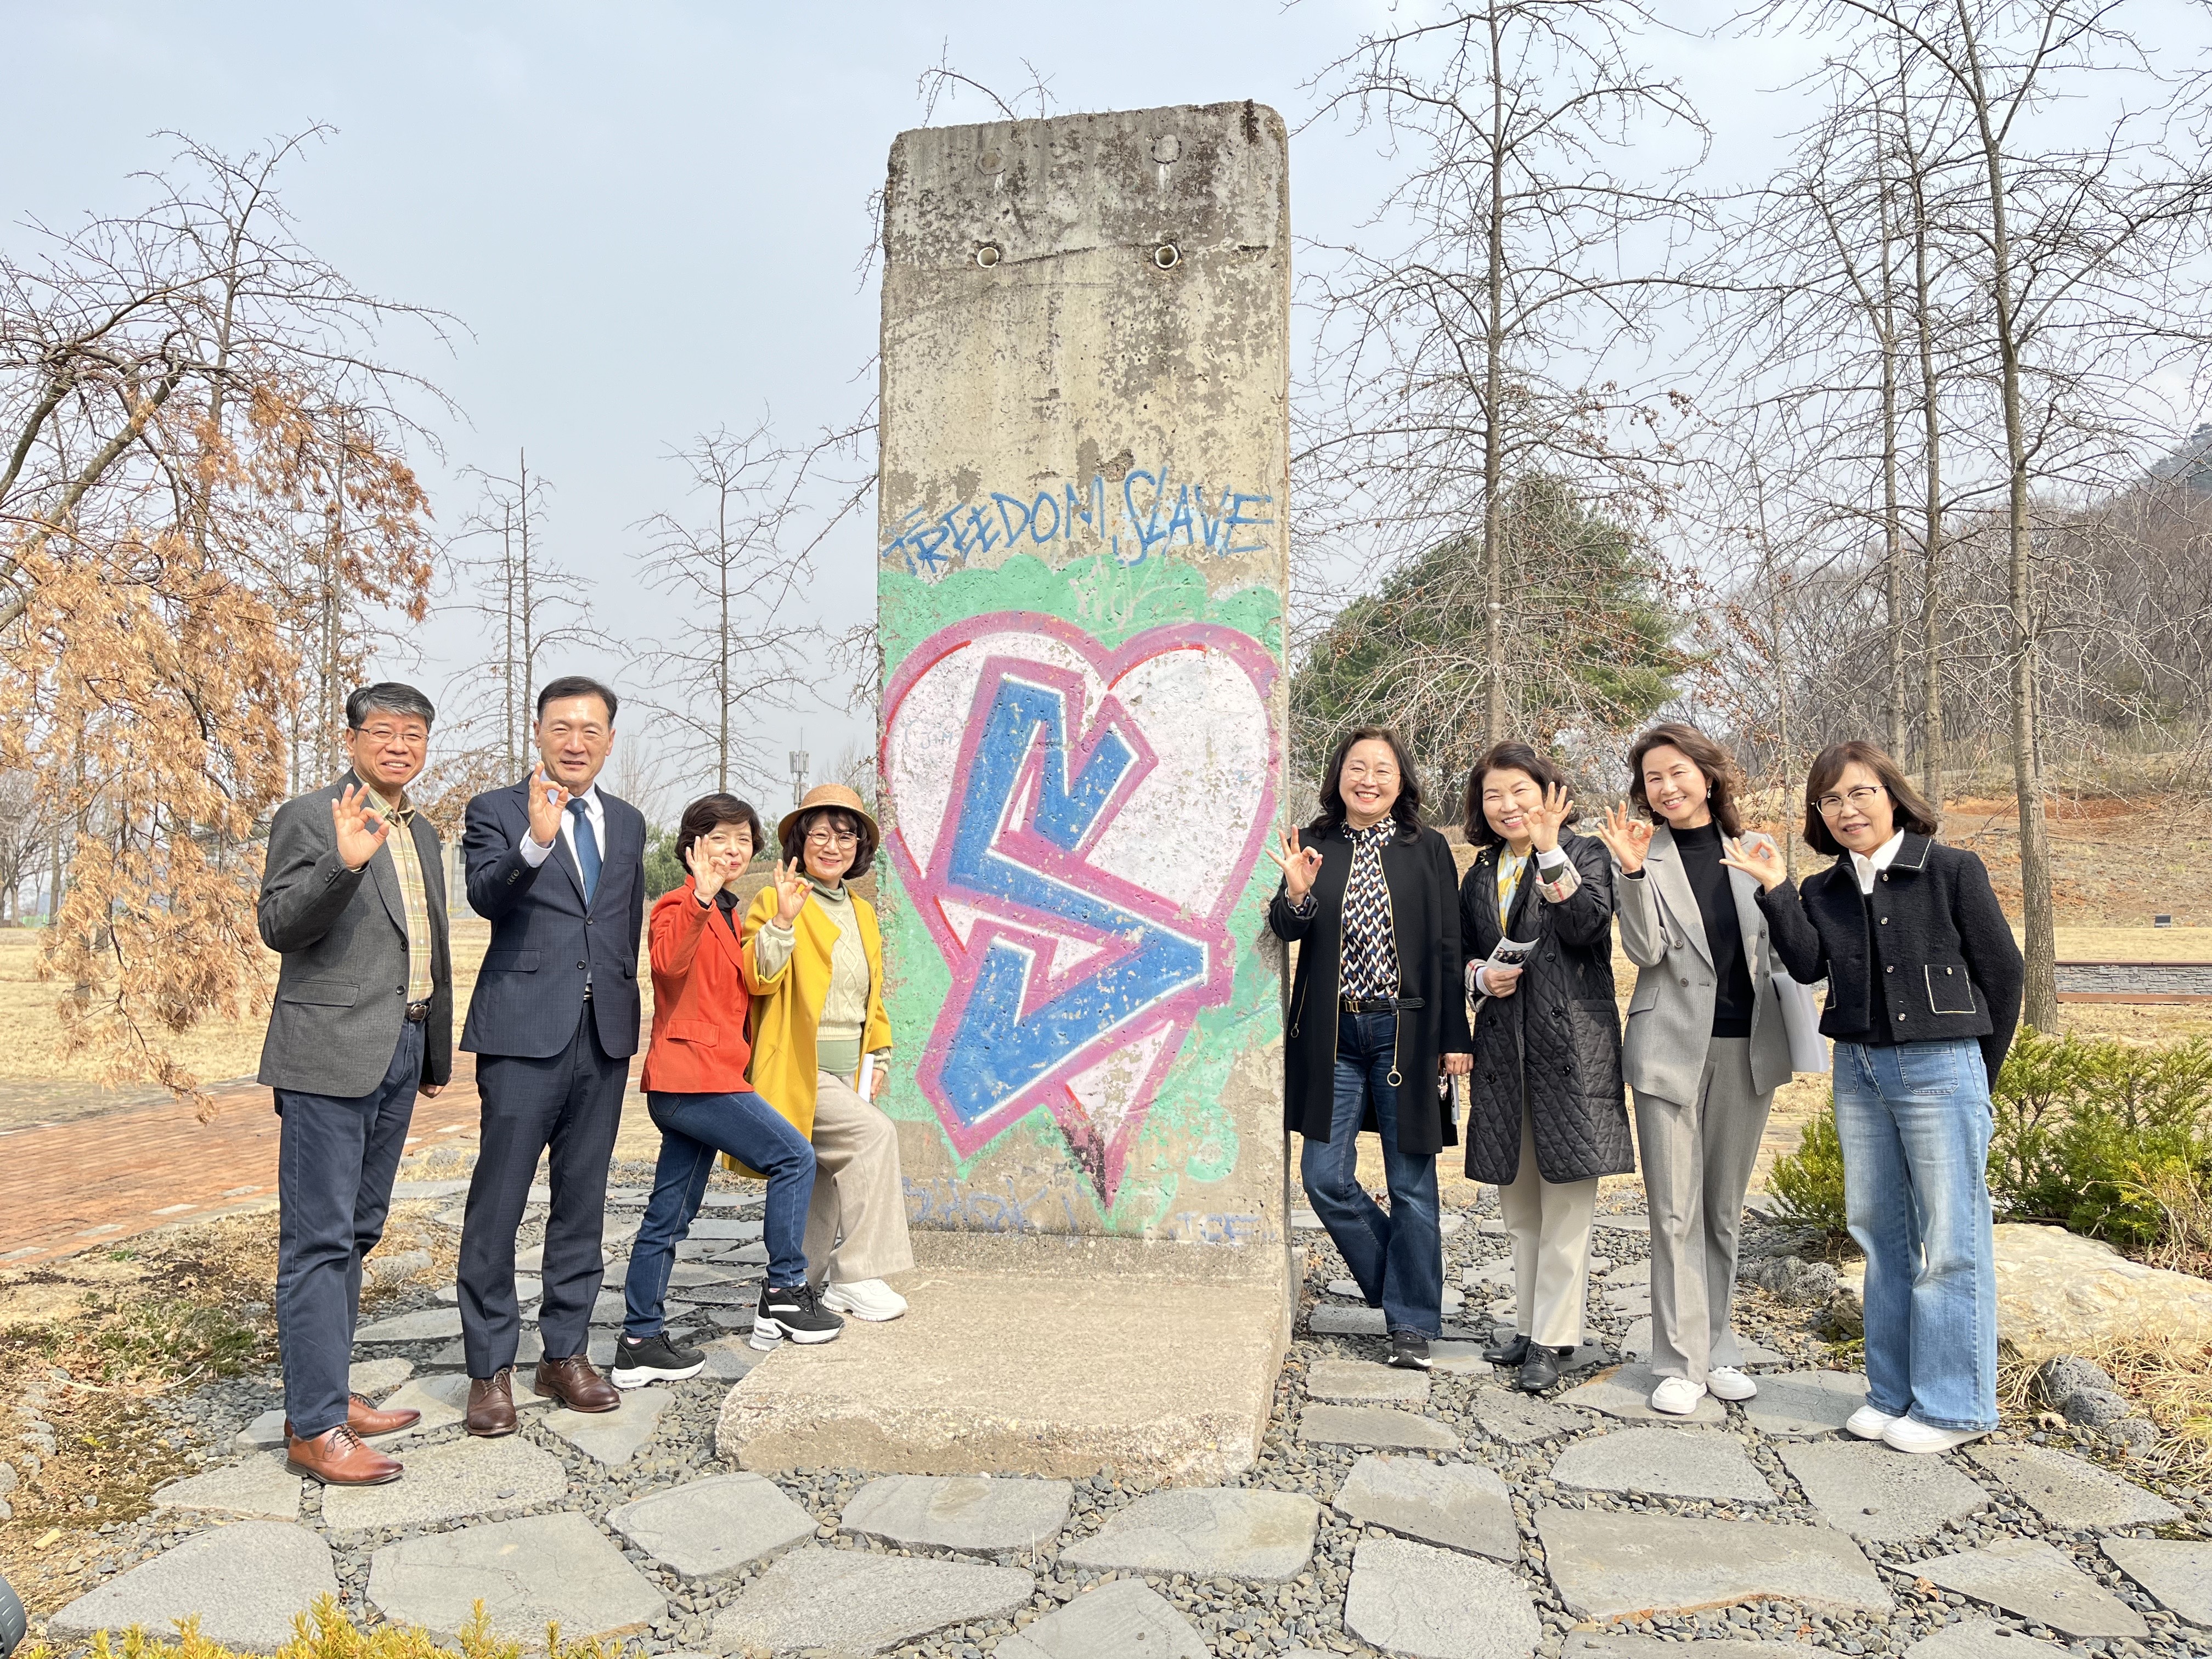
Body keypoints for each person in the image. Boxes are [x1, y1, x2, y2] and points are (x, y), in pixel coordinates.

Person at [1725, 740, 2022, 1454]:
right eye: (1831, 799)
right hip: (1859, 1071)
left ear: (1892, 794)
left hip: (1942, 1069)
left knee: (1952, 1243)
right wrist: (1773, 888)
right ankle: (1891, 1393)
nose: (1847, 809)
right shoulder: (1822, 890)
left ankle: (1955, 1408)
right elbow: (1803, 965)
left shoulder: (1950, 870)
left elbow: (2004, 975)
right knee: (1881, 1240)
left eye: (1860, 792)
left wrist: (1978, 1072)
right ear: (1819, 814)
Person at [256, 682, 451, 1486]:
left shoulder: (426, 832)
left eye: (413, 734)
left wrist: (432, 1047)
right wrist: (340, 864)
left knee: (359, 1232)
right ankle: (313, 1429)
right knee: (318, 1241)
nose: (398, 745)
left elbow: (425, 939)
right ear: (352, 740)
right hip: (329, 1057)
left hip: (401, 1048)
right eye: (383, 732)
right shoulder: (311, 817)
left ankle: (329, 1392)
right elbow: (279, 926)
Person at [455, 675, 646, 1435]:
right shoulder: (495, 810)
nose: (576, 742)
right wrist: (534, 841)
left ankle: (564, 1353)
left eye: (591, 730)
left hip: (602, 1038)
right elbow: (483, 896)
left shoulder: (627, 823)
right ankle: (490, 1368)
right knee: (497, 1204)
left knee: (582, 1203)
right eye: (562, 727)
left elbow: (619, 925)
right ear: (537, 733)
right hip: (521, 1034)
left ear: (608, 740)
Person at [1592, 722, 1796, 1417]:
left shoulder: (1755, 851)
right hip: (1667, 1051)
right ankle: (1679, 1360)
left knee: (1721, 1211)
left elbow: (1784, 950)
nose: (1667, 787)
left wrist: (1778, 886)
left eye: (1677, 772)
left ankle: (1720, 1346)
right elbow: (1646, 951)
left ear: (1707, 776)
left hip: (1747, 1050)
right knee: (1673, 1209)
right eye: (1653, 778)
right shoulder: (1649, 855)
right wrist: (1631, 873)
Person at [612, 793, 843, 1383]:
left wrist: (784, 921)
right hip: (693, 1080)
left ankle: (640, 1340)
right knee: (794, 1155)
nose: (732, 850)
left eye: (742, 841)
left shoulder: (731, 916)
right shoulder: (677, 905)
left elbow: (752, 988)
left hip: (707, 1079)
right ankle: (787, 1290)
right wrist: (700, 894)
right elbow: (667, 964)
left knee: (670, 1213)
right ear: (692, 847)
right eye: (719, 839)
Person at [1268, 727, 1471, 1372]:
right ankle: (1404, 1288)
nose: (1370, 780)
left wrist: (1453, 1039)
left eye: (1383, 769)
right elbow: (1284, 927)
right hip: (1332, 1035)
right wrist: (1297, 894)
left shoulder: (1427, 848)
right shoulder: (1314, 842)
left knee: (1411, 1182)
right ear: (1339, 776)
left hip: (1404, 1032)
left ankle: (1410, 1323)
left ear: (1401, 780)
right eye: (1358, 767)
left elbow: (1447, 947)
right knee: (1323, 1177)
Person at [1459, 741, 1629, 1393]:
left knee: (1567, 1206)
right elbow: (1462, 954)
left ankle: (1556, 1339)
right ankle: (1530, 1327)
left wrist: (1551, 847)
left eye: (1519, 792)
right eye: (1493, 795)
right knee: (1521, 1204)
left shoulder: (1583, 854)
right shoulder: (1479, 873)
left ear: (1548, 793)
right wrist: (1479, 974)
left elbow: (1588, 925)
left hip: (1569, 1050)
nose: (1507, 806)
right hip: (1505, 1053)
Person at [740, 783, 912, 1321]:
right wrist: (785, 921)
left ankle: (794, 1291)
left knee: (823, 1178)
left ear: (859, 847)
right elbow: (759, 976)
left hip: (851, 1070)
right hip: (798, 1068)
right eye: (820, 834)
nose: (832, 845)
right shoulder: (779, 899)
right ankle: (856, 1274)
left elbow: (872, 993)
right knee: (872, 1139)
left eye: (845, 835)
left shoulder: (861, 912)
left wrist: (879, 1056)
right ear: (801, 841)